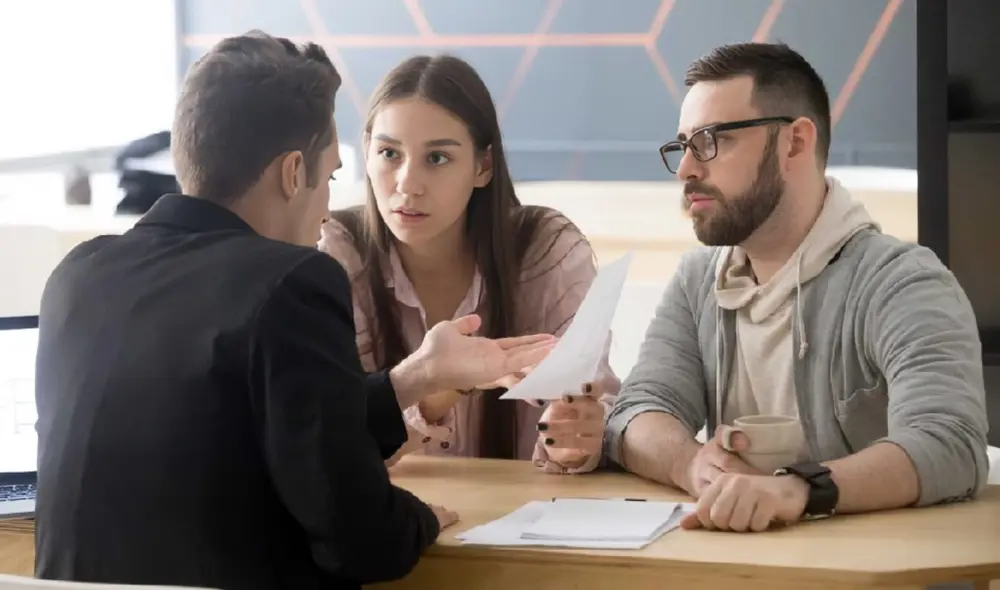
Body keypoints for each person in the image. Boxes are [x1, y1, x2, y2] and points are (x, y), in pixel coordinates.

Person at [33, 32, 553, 590]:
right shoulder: (290, 284)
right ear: (291, 174)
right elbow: (362, 542)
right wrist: (421, 519)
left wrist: (415, 378)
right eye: (328, 177)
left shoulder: (77, 276)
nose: (329, 204)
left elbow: (274, 429)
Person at [599, 42, 989, 531]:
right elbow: (637, 411)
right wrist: (693, 464)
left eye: (711, 141)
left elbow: (950, 444)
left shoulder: (902, 281)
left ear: (795, 143)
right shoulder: (698, 280)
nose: (687, 169)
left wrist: (799, 487)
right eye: (683, 145)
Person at [319, 54, 620, 472]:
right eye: (389, 153)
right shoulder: (336, 254)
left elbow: (598, 402)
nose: (407, 183)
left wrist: (578, 440)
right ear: (366, 155)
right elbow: (326, 442)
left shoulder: (547, 250)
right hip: (390, 523)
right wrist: (436, 387)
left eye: (437, 158)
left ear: (483, 167)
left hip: (525, 520)